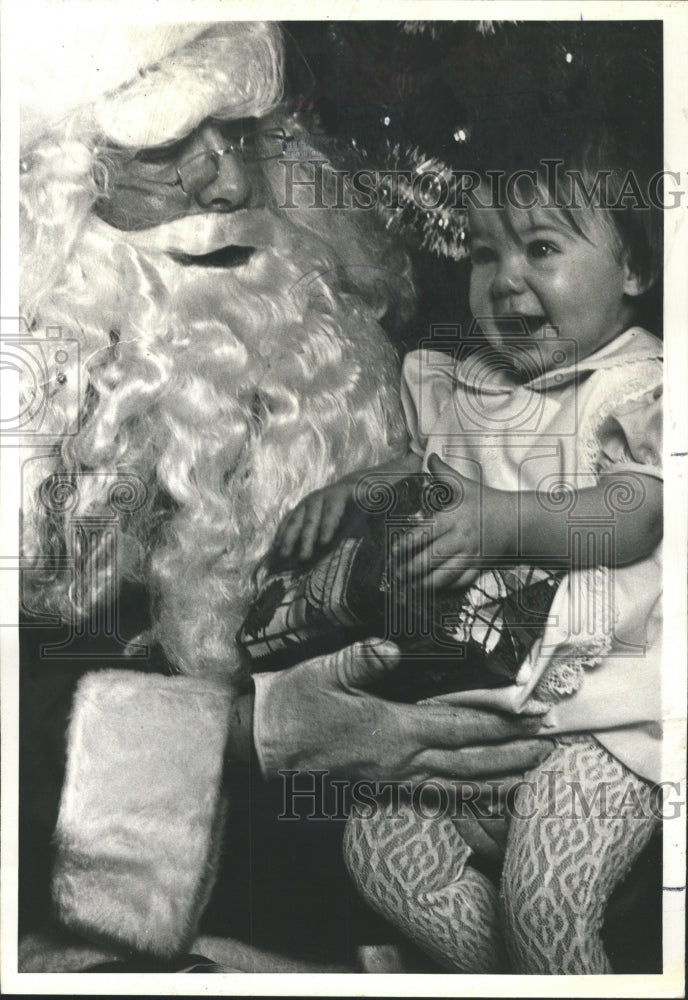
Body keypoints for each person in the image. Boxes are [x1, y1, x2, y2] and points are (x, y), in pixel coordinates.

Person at [16, 16, 549, 972]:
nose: (229, 185)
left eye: (241, 137)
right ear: (40, 199)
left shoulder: (394, 341)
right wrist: (246, 735)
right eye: (168, 151)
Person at [277, 137, 664, 972]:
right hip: (483, 704)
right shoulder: (472, 382)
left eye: (543, 248)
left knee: (543, 905)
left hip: (608, 721)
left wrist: (508, 524)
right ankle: (492, 980)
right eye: (485, 253)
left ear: (633, 270)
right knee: (376, 847)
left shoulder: (640, 386)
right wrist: (359, 490)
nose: (505, 280)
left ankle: (541, 962)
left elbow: (636, 512)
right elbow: (429, 473)